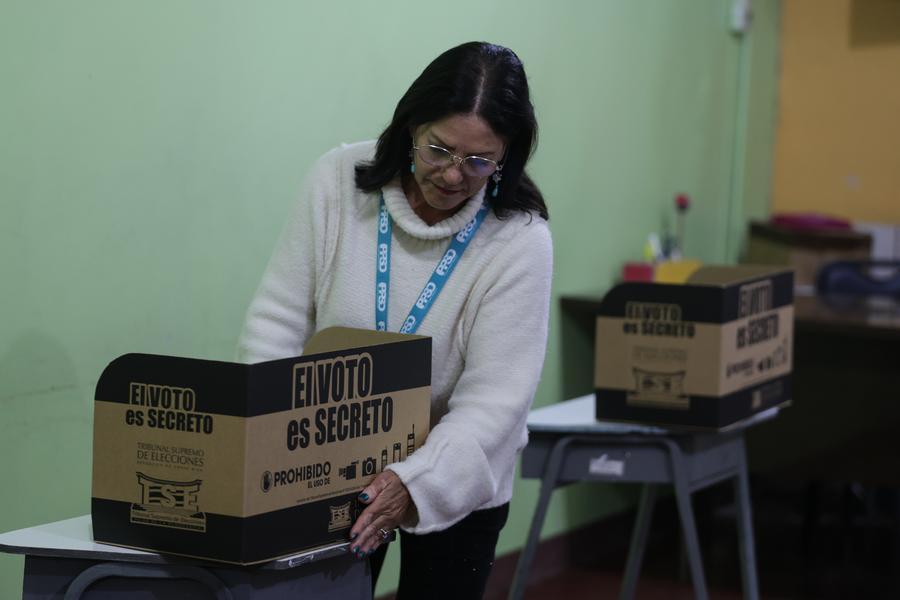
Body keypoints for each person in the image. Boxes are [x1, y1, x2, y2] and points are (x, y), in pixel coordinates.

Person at [238, 41, 552, 599]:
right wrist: (267, 445)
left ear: (506, 157)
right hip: (327, 458)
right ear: (411, 127)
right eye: (439, 149)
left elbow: (495, 403)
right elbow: (277, 324)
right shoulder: (338, 182)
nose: (454, 176)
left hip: (459, 472)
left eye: (480, 161)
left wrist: (416, 481)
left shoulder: (519, 238)